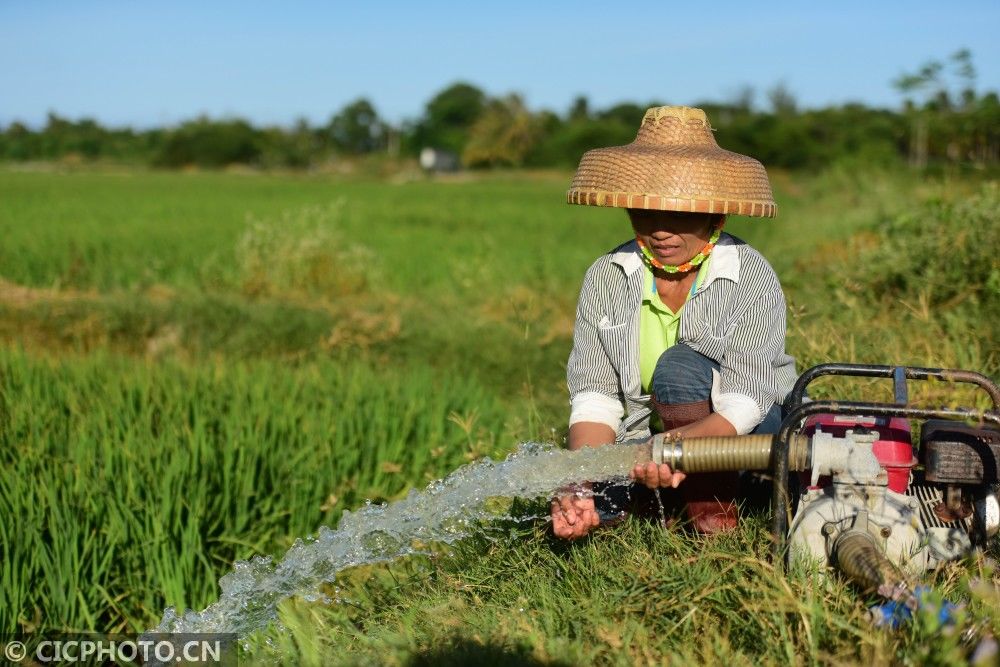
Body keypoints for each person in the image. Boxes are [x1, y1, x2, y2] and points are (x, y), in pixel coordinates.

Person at [550, 105, 798, 539]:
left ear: (714, 215)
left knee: (678, 368)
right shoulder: (608, 275)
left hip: (750, 436)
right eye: (647, 214)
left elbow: (745, 404)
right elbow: (596, 397)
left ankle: (715, 526)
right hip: (653, 447)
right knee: (591, 510)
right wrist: (581, 481)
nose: (661, 231)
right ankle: (659, 506)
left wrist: (667, 452)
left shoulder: (749, 274)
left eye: (680, 215)